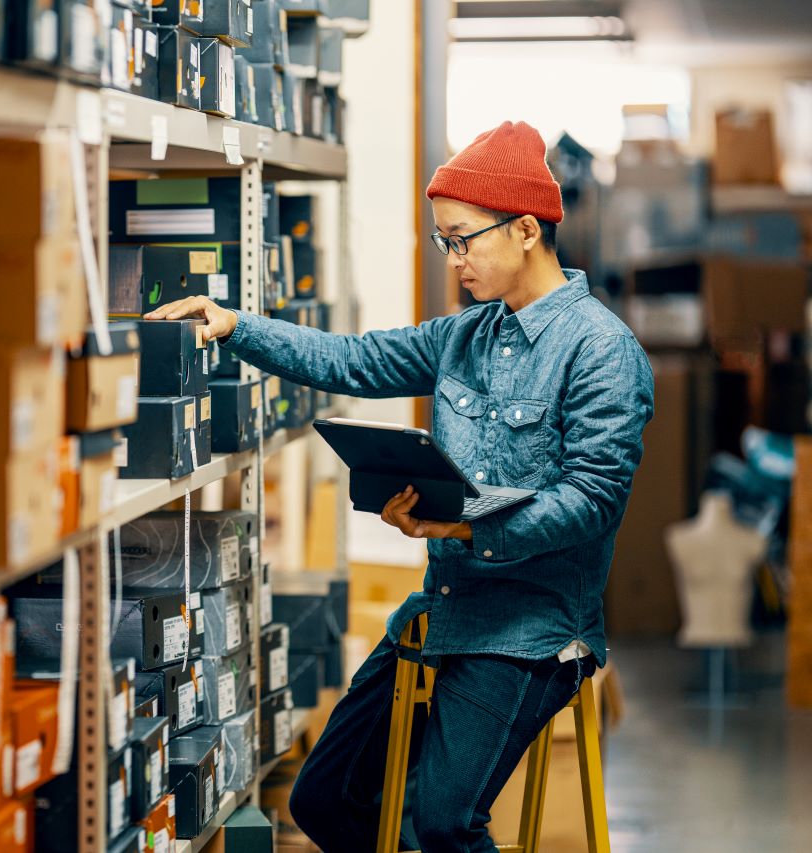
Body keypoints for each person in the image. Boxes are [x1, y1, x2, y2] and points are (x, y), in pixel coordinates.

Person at [144, 121, 655, 852]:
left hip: (532, 631)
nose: (455, 261)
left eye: (464, 239)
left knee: (445, 821)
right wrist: (234, 327)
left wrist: (466, 528)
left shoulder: (603, 352)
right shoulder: (465, 336)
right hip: (444, 610)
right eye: (445, 242)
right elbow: (351, 360)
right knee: (322, 799)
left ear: (525, 231)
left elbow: (592, 501)